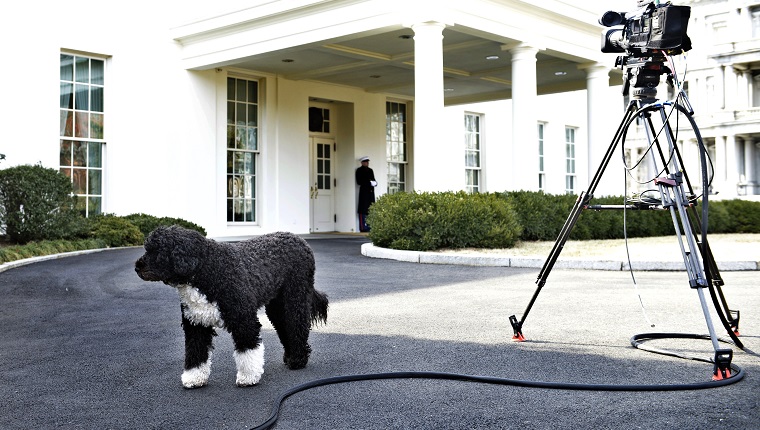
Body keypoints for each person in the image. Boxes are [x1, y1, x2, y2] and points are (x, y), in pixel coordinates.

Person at [355, 156, 376, 232]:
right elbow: (359, 181)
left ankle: (370, 226)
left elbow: (373, 179)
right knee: (363, 209)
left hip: (370, 192)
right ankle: (363, 227)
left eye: (367, 162)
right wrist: (368, 182)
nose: (367, 163)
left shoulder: (370, 170)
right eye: (366, 162)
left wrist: (374, 183)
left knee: (371, 209)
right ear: (362, 163)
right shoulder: (359, 170)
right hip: (364, 192)